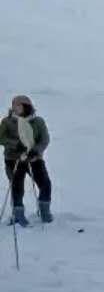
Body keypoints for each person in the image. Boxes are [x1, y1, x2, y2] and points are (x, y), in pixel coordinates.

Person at [3, 95, 52, 225]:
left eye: (21, 105)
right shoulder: (7, 122)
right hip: (14, 159)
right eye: (15, 105)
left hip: (34, 159)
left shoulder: (38, 121)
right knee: (17, 186)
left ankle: (44, 212)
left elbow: (45, 139)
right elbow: (1, 138)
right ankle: (18, 215)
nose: (18, 108)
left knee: (45, 184)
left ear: (27, 106)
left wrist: (36, 150)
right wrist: (15, 145)